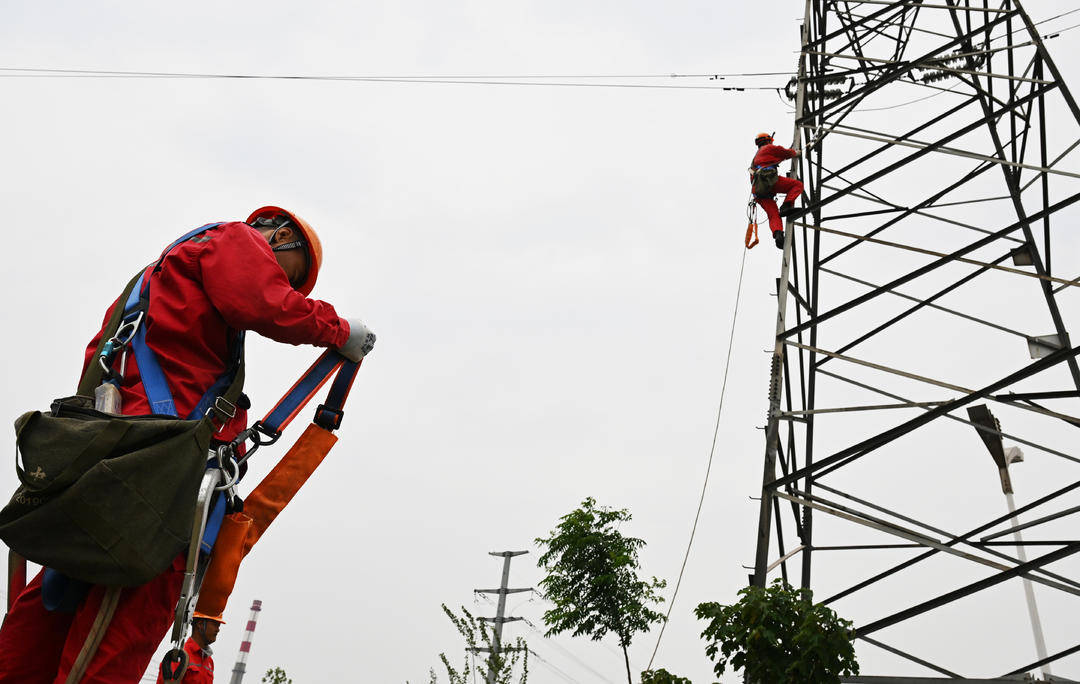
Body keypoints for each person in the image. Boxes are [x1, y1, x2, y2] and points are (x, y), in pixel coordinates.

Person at [0, 206, 375, 683]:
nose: (285, 284)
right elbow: (265, 303)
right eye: (290, 275)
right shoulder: (235, 241)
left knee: (49, 609)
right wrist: (340, 330)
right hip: (160, 477)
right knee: (123, 622)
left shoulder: (153, 289)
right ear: (282, 237)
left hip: (111, 461)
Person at [750, 132, 805, 249]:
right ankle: (786, 206)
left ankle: (778, 234)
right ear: (768, 141)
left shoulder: (755, 160)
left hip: (758, 192)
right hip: (769, 182)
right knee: (797, 185)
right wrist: (795, 153)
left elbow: (778, 158)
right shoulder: (768, 148)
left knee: (773, 215)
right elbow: (783, 152)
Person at [155, 612, 224, 683]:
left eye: (218, 626)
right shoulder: (179, 656)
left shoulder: (209, 662)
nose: (218, 629)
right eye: (215, 624)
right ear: (200, 624)